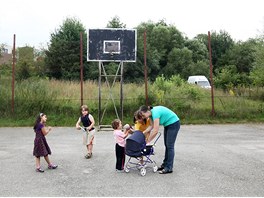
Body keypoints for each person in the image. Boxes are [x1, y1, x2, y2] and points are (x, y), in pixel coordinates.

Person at [138, 105, 180, 174]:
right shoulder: (150, 115)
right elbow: (151, 126)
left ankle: (169, 168)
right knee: (167, 145)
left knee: (170, 146)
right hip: (167, 125)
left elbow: (155, 130)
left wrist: (148, 141)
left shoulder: (155, 113)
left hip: (173, 124)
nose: (143, 117)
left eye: (143, 115)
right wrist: (143, 132)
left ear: (147, 111)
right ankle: (165, 165)